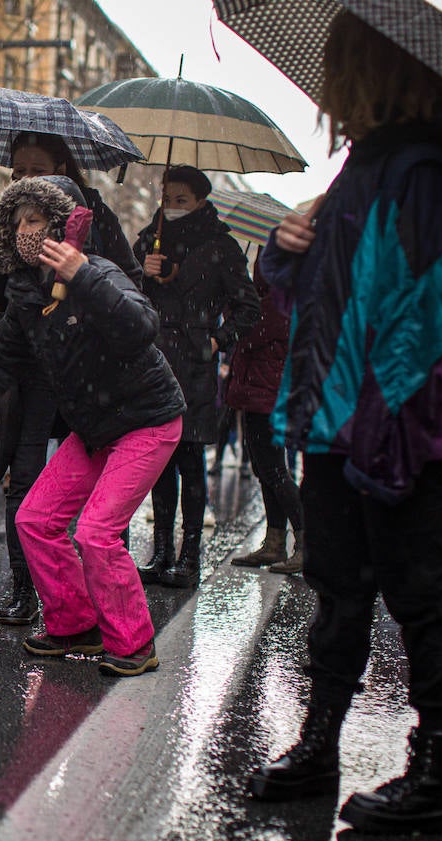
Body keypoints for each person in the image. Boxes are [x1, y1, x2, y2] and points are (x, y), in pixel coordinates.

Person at [244, 10, 442, 834]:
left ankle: (434, 773)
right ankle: (318, 746)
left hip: (393, 428)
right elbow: (326, 298)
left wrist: (387, 433)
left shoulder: (426, 174)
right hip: (335, 423)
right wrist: (286, 247)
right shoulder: (364, 168)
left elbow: (427, 319)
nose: (330, 89)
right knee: (337, 593)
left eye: (341, 68)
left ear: (376, 70)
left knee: (421, 595)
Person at [0, 176, 185, 674]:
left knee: (96, 533)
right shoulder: (27, 296)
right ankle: (75, 624)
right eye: (17, 221)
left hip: (146, 420)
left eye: (35, 219)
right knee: (34, 520)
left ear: (60, 224)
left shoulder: (98, 270)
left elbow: (142, 327)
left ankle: (134, 644)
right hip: (95, 429)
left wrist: (83, 277)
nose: (24, 230)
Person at [0, 132, 143, 624]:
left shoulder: (96, 214)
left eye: (34, 168)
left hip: (89, 373)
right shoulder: (8, 220)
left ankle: (104, 589)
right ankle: (24, 587)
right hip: (32, 372)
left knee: (104, 483)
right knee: (22, 481)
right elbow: (10, 302)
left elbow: (124, 281)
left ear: (62, 166)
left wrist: (80, 269)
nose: (23, 179)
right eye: (16, 171)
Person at [132, 164, 260, 589]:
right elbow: (121, 293)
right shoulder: (148, 241)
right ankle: (161, 551)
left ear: (202, 201)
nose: (172, 207)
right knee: (158, 462)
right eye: (167, 198)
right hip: (152, 364)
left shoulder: (221, 247)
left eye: (181, 200)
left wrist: (216, 340)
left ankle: (189, 557)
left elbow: (249, 307)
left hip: (195, 366)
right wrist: (141, 273)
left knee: (189, 458)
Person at [227, 265, 304, 573]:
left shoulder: (279, 296)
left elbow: (250, 334)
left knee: (273, 469)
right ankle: (274, 542)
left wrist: (236, 306)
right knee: (264, 467)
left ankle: (305, 539)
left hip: (267, 390)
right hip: (257, 387)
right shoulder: (269, 295)